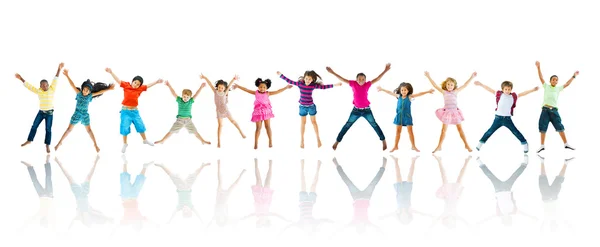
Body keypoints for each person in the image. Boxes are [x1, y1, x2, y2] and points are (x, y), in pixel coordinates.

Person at [326, 63, 391, 151]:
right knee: (347, 125)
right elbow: (342, 78)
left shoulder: (367, 84)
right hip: (356, 110)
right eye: (359, 79)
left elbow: (377, 78)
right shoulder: (353, 83)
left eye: (363, 79)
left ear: (365, 80)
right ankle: (337, 141)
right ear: (356, 79)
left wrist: (385, 70)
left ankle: (383, 140)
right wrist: (332, 72)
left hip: (367, 110)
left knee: (374, 124)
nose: (361, 81)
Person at [54, 69, 115, 152]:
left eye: (87, 91)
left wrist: (109, 89)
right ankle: (59, 143)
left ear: (89, 92)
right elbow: (72, 85)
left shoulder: (90, 96)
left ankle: (95, 145)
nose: (85, 92)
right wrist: (67, 75)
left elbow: (100, 91)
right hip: (76, 114)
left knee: (89, 130)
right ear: (82, 89)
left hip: (85, 115)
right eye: (84, 90)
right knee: (68, 129)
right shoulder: (79, 93)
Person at [277, 70, 342, 148]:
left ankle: (318, 139)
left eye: (310, 79)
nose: (308, 81)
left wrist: (336, 85)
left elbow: (324, 87)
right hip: (302, 107)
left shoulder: (313, 85)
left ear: (312, 80)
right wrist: (280, 75)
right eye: (306, 78)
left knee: (314, 122)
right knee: (303, 123)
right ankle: (302, 140)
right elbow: (289, 81)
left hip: (311, 106)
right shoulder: (300, 84)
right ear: (304, 78)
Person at [105, 68, 163, 153]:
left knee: (141, 126)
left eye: (138, 84)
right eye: (135, 82)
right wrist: (111, 72)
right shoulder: (126, 85)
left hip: (135, 112)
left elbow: (148, 85)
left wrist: (156, 82)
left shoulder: (140, 89)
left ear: (140, 86)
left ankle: (145, 140)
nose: (136, 85)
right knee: (124, 127)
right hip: (125, 111)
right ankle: (125, 143)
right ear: (132, 81)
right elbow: (118, 80)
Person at [473, 80, 539, 153]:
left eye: (509, 89)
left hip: (507, 119)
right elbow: (489, 89)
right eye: (506, 89)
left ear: (511, 89)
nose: (507, 91)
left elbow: (523, 93)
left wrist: (533, 90)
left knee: (515, 132)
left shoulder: (513, 96)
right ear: (502, 89)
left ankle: (525, 143)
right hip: (498, 118)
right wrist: (481, 84)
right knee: (490, 131)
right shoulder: (499, 94)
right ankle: (480, 143)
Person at [16, 62, 64, 153]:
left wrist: (59, 69)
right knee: (34, 126)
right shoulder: (39, 91)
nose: (45, 86)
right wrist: (21, 78)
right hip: (41, 113)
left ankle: (47, 145)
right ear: (40, 86)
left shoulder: (52, 89)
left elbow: (56, 79)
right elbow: (29, 86)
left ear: (48, 85)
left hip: (49, 113)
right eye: (43, 85)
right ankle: (29, 140)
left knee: (48, 129)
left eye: (46, 85)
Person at [425, 71, 477, 153]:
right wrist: (428, 76)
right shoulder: (444, 92)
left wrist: (472, 77)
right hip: (447, 113)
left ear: (454, 86)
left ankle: (466, 145)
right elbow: (434, 85)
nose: (449, 86)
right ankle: (439, 146)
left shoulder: (455, 91)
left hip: (455, 112)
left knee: (460, 129)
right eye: (448, 84)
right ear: (446, 85)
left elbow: (465, 85)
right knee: (443, 130)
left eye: (451, 85)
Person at [233, 78, 293, 149]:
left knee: (267, 126)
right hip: (258, 112)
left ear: (267, 88)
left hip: (266, 111)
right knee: (258, 128)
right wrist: (238, 86)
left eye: (264, 87)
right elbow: (246, 90)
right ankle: (255, 143)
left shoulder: (268, 93)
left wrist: (286, 87)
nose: (262, 88)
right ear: (258, 87)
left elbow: (277, 91)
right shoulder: (256, 92)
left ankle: (270, 141)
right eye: (261, 87)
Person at [534, 61, 578, 153]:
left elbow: (567, 83)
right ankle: (542, 145)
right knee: (543, 127)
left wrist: (573, 76)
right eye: (553, 79)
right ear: (550, 81)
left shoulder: (558, 88)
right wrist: (538, 67)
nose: (555, 81)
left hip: (554, 111)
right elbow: (541, 77)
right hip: (545, 110)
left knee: (560, 126)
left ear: (557, 82)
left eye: (556, 80)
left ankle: (566, 144)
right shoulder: (546, 86)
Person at [377, 82, 434, 152]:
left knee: (410, 131)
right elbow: (389, 92)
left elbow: (419, 93)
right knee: (398, 132)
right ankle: (395, 146)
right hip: (399, 116)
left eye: (405, 90)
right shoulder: (398, 96)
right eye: (402, 90)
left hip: (407, 117)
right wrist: (382, 89)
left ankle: (413, 146)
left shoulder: (409, 97)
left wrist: (428, 91)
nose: (403, 91)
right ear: (400, 91)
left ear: (408, 91)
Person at [154, 80, 210, 145]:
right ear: (182, 96)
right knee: (171, 131)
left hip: (188, 120)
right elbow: (173, 93)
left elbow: (196, 94)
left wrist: (201, 87)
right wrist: (169, 85)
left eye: (187, 97)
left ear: (190, 97)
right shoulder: (179, 100)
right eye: (184, 96)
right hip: (179, 120)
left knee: (195, 132)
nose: (185, 98)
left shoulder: (191, 101)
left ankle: (202, 140)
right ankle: (162, 140)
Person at [200, 74, 246, 148]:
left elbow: (229, 85)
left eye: (222, 88)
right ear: (217, 87)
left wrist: (233, 79)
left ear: (224, 89)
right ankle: (219, 141)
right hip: (218, 111)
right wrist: (205, 77)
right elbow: (210, 84)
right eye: (219, 87)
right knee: (220, 126)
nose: (220, 89)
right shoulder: (215, 92)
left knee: (233, 121)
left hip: (225, 110)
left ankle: (241, 132)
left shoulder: (225, 92)